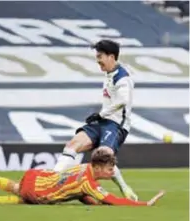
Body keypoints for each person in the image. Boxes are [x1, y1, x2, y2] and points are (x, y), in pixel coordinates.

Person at [53, 39, 138, 200]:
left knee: (103, 156)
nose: (97, 60)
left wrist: (100, 114)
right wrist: (101, 116)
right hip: (103, 120)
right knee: (73, 145)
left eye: (100, 56)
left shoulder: (123, 78)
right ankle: (53, 180)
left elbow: (122, 101)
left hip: (116, 125)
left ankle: (125, 188)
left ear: (111, 57)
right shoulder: (109, 73)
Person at [0, 147, 165, 206]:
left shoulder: (82, 167)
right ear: (98, 167)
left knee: (15, 187)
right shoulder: (89, 182)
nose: (112, 172)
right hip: (40, 192)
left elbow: (80, 194)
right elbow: (112, 199)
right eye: (109, 169)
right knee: (22, 199)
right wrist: (145, 204)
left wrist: (91, 200)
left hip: (37, 176)